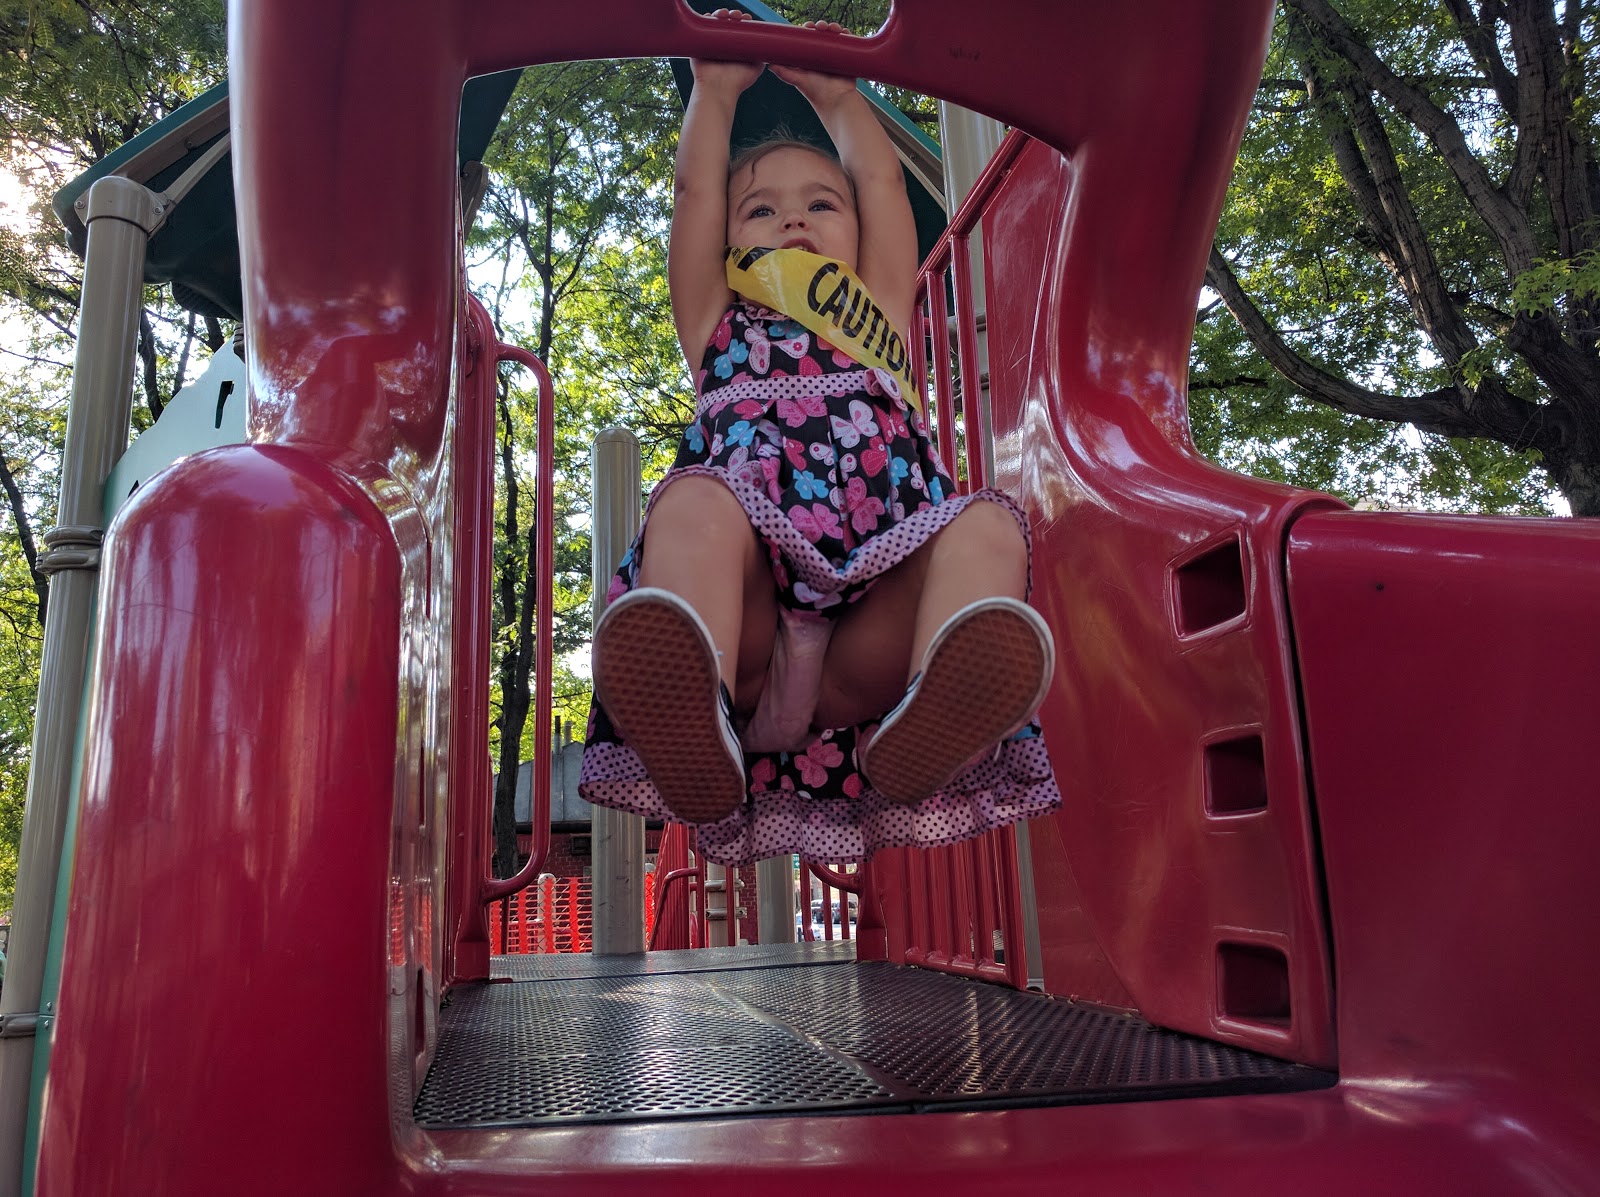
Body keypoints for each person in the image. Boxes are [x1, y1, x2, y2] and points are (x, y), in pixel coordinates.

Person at [580, 14, 1060, 865]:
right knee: (692, 499)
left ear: (858, 231)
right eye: (760, 209)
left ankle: (931, 716)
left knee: (989, 526)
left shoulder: (874, 314)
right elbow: (695, 194)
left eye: (820, 204)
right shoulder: (718, 323)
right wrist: (715, 92)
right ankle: (699, 701)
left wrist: (840, 96)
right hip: (753, 624)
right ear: (728, 242)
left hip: (861, 646)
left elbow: (880, 179)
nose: (793, 221)